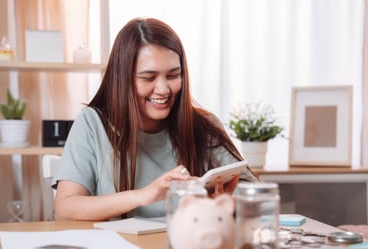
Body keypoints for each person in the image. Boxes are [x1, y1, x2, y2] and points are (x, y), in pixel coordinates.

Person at [52, 17, 257, 221]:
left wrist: (222, 202)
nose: (163, 89)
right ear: (122, 79)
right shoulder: (92, 123)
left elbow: (254, 195)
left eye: (173, 75)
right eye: (148, 78)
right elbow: (65, 208)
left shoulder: (203, 124)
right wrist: (143, 195)